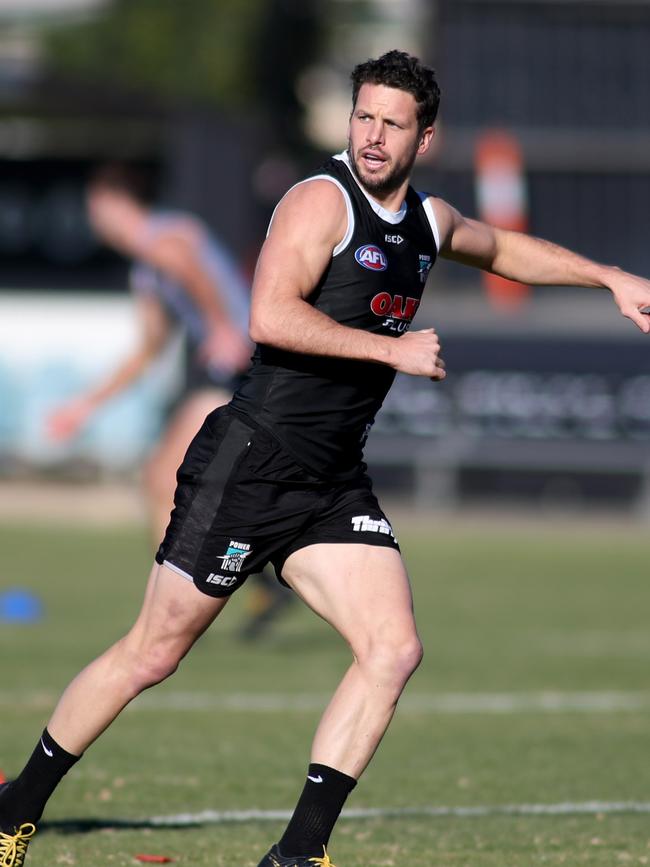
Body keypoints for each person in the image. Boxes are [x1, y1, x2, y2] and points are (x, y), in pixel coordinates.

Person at [2, 49, 650, 867]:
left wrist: (608, 275)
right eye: (364, 117)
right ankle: (14, 808)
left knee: (393, 648)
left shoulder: (429, 221)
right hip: (251, 462)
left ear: (426, 137)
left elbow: (505, 251)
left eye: (393, 123)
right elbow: (272, 316)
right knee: (152, 653)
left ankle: (297, 852)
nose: (374, 136)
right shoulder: (319, 202)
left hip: (330, 477)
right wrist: (393, 350)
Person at [47, 167, 292, 640]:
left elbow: (187, 265)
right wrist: (85, 405)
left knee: (164, 479)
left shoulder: (163, 237)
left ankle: (174, 607)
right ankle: (251, 585)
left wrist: (221, 325)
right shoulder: (146, 268)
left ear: (117, 204)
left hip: (244, 365)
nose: (94, 219)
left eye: (97, 207)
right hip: (235, 369)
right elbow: (149, 348)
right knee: (179, 483)